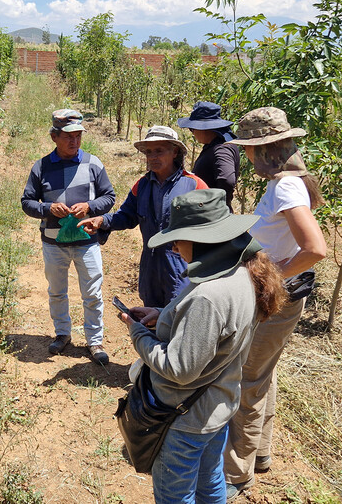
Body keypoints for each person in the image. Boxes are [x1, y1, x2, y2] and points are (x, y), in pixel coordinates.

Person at [117, 188, 287, 503]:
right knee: (210, 483)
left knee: (176, 495)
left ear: (202, 240)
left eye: (179, 239)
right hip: (217, 407)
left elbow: (179, 369)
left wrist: (137, 333)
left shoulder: (207, 296)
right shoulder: (240, 272)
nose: (174, 246)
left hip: (185, 419)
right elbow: (215, 333)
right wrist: (164, 315)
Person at [221, 107, 328, 501]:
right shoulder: (289, 182)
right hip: (279, 298)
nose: (247, 156)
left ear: (264, 149)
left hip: (274, 298)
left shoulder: (285, 188)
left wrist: (273, 277)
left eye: (249, 149)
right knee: (263, 373)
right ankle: (260, 452)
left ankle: (236, 473)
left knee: (246, 380)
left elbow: (315, 248)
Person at [21, 109, 116, 364]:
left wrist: (89, 207)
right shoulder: (41, 167)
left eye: (78, 136)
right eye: (68, 136)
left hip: (87, 241)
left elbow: (109, 197)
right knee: (57, 291)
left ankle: (94, 341)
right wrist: (48, 208)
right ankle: (62, 333)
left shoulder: (93, 164)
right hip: (53, 242)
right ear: (54, 137)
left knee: (92, 293)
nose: (74, 141)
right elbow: (27, 202)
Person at [79, 126, 207, 310]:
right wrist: (102, 221)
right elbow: (126, 215)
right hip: (150, 267)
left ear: (175, 152)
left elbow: (210, 228)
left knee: (180, 315)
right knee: (151, 316)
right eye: (149, 152)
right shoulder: (142, 186)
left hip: (182, 268)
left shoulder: (194, 185)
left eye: (159, 151)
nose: (153, 157)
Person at [177, 102, 241, 212]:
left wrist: (214, 207)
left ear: (205, 128)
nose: (192, 132)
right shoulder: (215, 146)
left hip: (213, 216)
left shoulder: (222, 149)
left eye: (192, 128)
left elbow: (227, 180)